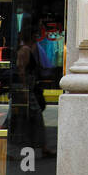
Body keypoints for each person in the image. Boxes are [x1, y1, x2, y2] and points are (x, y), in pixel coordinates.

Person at [16, 28, 56, 157]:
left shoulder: (28, 49)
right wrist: (25, 90)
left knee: (26, 119)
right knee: (34, 118)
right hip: (27, 90)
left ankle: (39, 146)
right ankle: (40, 147)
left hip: (28, 89)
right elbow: (21, 70)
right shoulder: (26, 50)